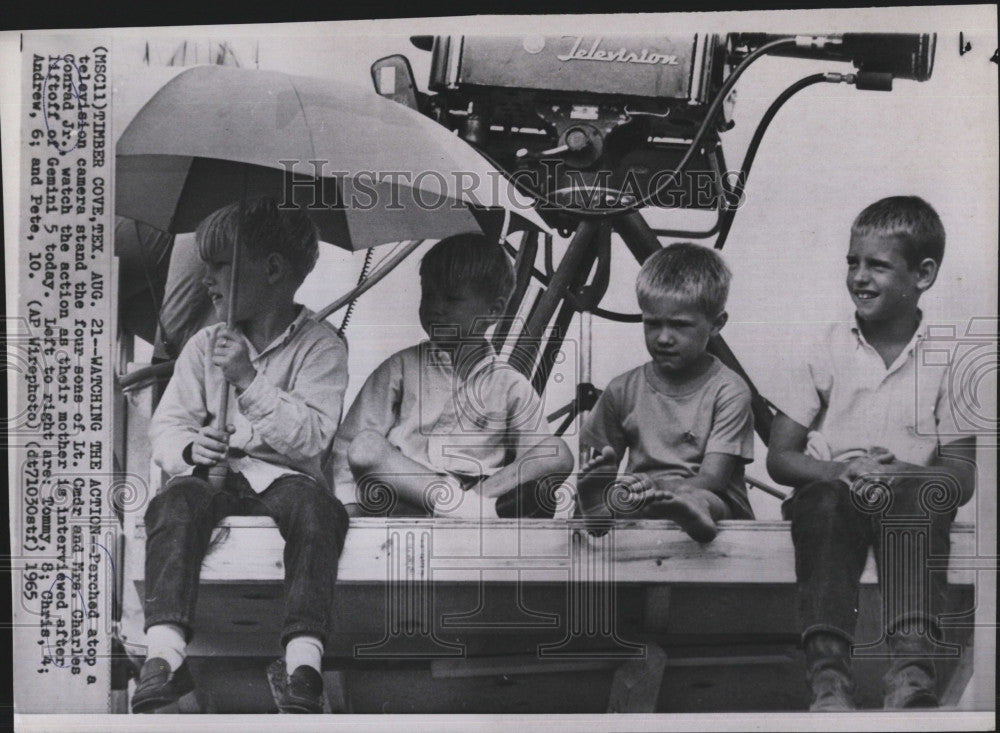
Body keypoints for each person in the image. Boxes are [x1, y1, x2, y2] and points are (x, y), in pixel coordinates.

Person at [135, 198, 350, 714]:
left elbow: (312, 439)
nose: (206, 280)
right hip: (215, 479)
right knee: (175, 502)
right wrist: (191, 448)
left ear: (273, 270)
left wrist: (248, 382)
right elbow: (168, 424)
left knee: (319, 510)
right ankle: (164, 652)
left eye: (219, 268)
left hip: (284, 482)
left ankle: (303, 659)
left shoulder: (323, 346)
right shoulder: (203, 344)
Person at [766, 196, 977, 711]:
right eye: (852, 262)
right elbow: (779, 457)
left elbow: (961, 477)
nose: (859, 276)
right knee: (825, 503)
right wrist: (843, 468)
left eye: (877, 265)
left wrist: (905, 471)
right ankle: (829, 681)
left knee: (922, 503)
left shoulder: (950, 359)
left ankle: (909, 677)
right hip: (836, 495)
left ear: (922, 274)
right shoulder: (827, 346)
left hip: (908, 499)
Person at [332, 233, 574, 518]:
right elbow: (350, 445)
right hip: (405, 495)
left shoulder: (510, 386)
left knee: (557, 451)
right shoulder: (400, 368)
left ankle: (469, 508)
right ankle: (466, 511)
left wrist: (508, 485)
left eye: (451, 298)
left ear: (493, 310)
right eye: (429, 294)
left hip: (485, 491)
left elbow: (529, 460)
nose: (435, 307)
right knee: (365, 447)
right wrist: (348, 509)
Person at [576, 242, 755, 542]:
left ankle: (689, 511)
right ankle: (599, 509)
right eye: (652, 324)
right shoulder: (622, 389)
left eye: (679, 326)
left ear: (716, 325)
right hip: (644, 502)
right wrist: (608, 485)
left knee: (702, 499)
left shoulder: (729, 390)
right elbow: (598, 459)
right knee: (617, 497)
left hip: (715, 504)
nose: (663, 338)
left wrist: (663, 489)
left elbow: (713, 477)